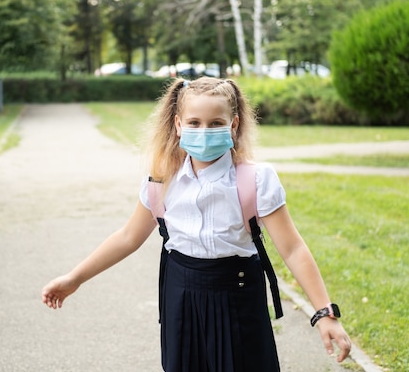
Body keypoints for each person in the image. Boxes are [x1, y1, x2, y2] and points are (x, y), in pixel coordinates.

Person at [41, 76, 352, 372]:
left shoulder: (255, 180)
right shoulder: (161, 181)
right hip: (182, 298)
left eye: (216, 123)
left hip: (239, 296)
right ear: (178, 125)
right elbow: (127, 237)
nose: (204, 131)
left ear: (233, 125)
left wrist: (325, 313)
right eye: (194, 123)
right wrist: (74, 278)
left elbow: (293, 248)